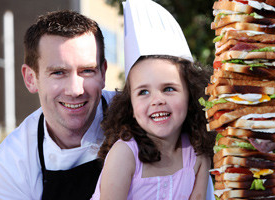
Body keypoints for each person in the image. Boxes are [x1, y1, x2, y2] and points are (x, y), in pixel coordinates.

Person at [91, 0, 215, 199]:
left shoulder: (198, 153)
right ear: (130, 105)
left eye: (168, 88)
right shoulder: (125, 154)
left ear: (190, 95)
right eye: (143, 92)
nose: (157, 100)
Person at [0, 10, 115, 200]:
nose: (75, 90)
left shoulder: (138, 116)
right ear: (31, 78)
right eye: (58, 72)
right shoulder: (11, 163)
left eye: (87, 71)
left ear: (103, 73)